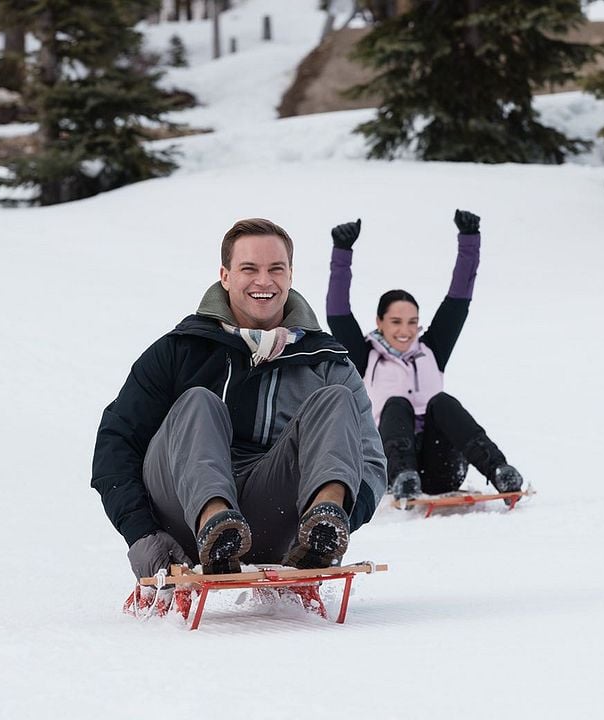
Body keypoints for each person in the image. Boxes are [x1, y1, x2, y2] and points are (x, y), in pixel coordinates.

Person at [92, 218, 387, 581]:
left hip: (278, 515)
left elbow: (370, 460)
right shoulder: (180, 350)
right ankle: (215, 524)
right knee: (198, 402)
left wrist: (345, 515)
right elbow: (117, 443)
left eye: (275, 269)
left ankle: (323, 525)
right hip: (184, 518)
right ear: (226, 276)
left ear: (290, 275)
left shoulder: (327, 362)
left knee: (335, 400)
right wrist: (141, 533)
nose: (264, 281)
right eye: (249, 269)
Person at [325, 210, 523, 500]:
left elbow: (459, 299)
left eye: (412, 322)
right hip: (391, 466)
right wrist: (342, 252)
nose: (405, 331)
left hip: (442, 466)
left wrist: (469, 240)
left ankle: (499, 471)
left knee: (442, 402)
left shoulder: (432, 349)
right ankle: (404, 479)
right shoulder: (365, 356)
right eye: (396, 322)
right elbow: (337, 312)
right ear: (379, 322)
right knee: (396, 404)